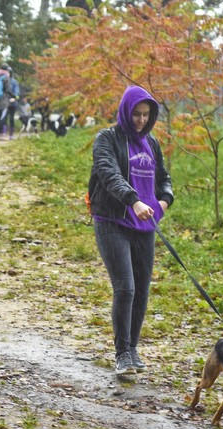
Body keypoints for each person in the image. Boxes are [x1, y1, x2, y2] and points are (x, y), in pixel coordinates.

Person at [87, 85, 174, 377]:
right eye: (136, 114)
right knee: (126, 287)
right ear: (126, 111)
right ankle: (122, 353)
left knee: (142, 290)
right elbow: (107, 172)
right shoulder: (106, 139)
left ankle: (133, 348)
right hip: (113, 221)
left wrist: (165, 200)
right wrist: (133, 200)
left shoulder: (152, 143)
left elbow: (164, 178)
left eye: (145, 115)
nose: (140, 120)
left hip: (145, 224)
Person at [5, 66, 20, 140]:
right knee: (4, 118)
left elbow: (16, 91)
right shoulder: (3, 80)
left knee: (11, 118)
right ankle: (3, 133)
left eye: (9, 72)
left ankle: (11, 134)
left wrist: (14, 97)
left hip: (12, 102)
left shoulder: (14, 81)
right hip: (4, 102)